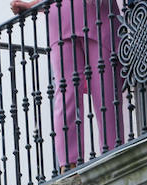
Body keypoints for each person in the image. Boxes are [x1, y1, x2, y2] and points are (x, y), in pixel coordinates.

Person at [9, 0, 122, 168]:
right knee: (70, 91)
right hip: (61, 16)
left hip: (94, 12)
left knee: (102, 88)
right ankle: (71, 164)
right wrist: (32, 6)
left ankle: (111, 155)